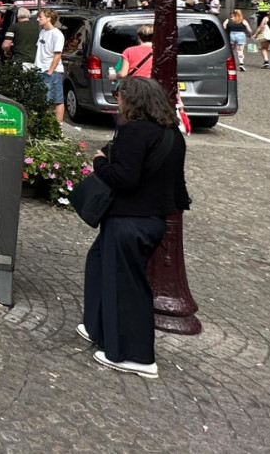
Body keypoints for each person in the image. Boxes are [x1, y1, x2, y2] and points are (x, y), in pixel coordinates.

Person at [80, 76, 190, 378]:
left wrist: (100, 161)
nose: (118, 103)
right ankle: (99, 326)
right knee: (100, 264)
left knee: (127, 286)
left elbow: (124, 179)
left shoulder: (134, 132)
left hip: (130, 218)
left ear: (132, 101)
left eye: (120, 98)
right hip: (151, 218)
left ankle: (136, 356)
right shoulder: (171, 133)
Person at [34, 9, 66, 124]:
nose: (38, 19)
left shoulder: (57, 34)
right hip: (40, 68)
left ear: (48, 18)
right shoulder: (42, 32)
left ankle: (59, 125)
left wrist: (50, 72)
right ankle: (43, 123)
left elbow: (57, 56)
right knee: (42, 99)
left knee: (57, 99)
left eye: (40, 17)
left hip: (52, 71)